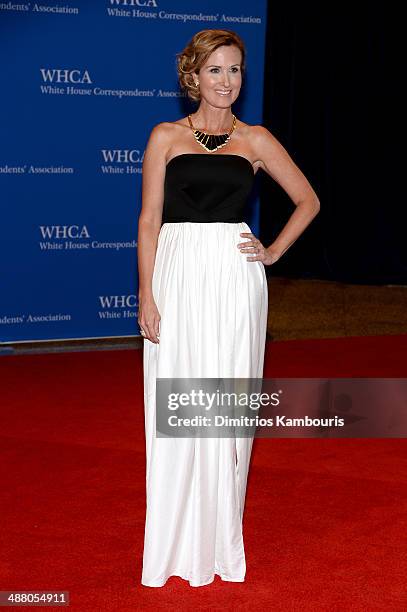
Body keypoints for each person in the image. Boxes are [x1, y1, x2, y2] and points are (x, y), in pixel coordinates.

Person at [137, 29, 320, 588]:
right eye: (215, 70)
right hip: (178, 271)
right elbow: (149, 220)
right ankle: (170, 546)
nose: (226, 81)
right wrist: (146, 292)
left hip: (234, 277)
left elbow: (309, 201)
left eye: (236, 70)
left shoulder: (257, 140)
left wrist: (270, 253)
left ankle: (220, 545)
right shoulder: (165, 135)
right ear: (193, 75)